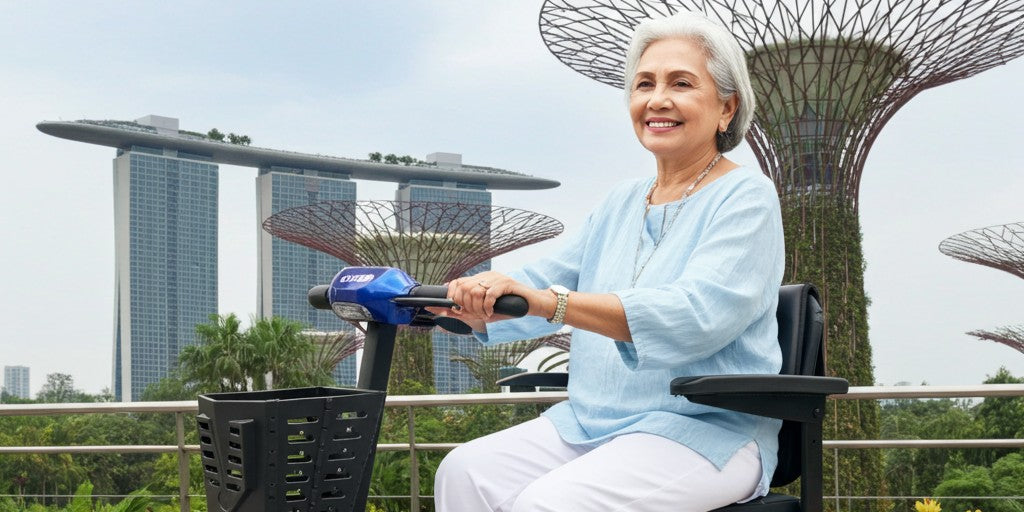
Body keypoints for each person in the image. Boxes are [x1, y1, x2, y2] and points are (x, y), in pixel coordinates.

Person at [430, 10, 784, 512]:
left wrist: (548, 303)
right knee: (464, 472)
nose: (657, 99)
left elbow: (697, 314)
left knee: (549, 503)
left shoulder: (745, 195)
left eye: (681, 83)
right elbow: (542, 280)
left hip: (707, 431)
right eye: (644, 84)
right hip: (592, 421)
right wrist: (472, 303)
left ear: (727, 108)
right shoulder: (623, 200)